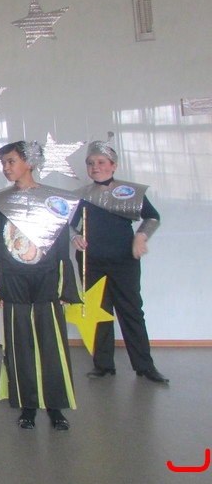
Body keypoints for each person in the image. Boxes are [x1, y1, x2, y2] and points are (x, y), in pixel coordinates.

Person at [0, 141, 80, 431]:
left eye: (11, 161)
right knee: (19, 343)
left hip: (46, 277)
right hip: (14, 279)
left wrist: (64, 285)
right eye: (3, 163)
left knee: (51, 342)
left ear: (29, 162)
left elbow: (61, 244)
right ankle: (27, 405)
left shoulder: (52, 199)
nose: (6, 168)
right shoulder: (1, 202)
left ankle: (55, 406)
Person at [71, 140, 168, 383]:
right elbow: (68, 224)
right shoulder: (82, 195)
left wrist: (141, 236)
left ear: (113, 165)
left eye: (101, 162)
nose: (95, 167)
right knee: (98, 312)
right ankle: (103, 365)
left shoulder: (130, 192)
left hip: (124, 261)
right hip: (91, 262)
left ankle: (145, 366)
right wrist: (75, 237)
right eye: (90, 163)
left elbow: (152, 217)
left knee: (131, 310)